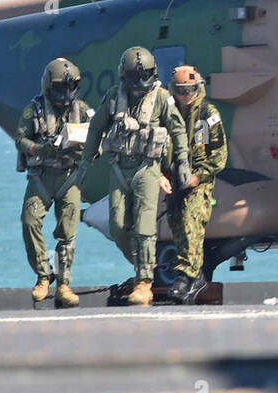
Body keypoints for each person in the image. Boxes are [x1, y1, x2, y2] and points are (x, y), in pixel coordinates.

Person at [78, 47, 190, 307]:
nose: (139, 87)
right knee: (117, 225)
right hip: (119, 167)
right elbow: (96, 128)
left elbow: (178, 129)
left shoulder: (162, 98)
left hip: (147, 168)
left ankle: (144, 282)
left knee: (144, 225)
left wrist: (182, 160)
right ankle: (144, 263)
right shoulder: (113, 98)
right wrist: (85, 163)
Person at [15, 57, 92, 307]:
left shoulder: (82, 110)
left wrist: (86, 147)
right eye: (60, 88)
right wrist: (38, 149)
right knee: (30, 221)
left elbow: (97, 136)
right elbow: (20, 139)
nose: (65, 95)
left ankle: (64, 284)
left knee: (67, 233)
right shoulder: (34, 109)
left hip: (70, 177)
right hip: (42, 178)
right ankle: (42, 275)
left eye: (70, 88)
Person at [159, 64, 228, 305]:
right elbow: (156, 148)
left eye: (190, 90)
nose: (186, 95)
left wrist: (198, 177)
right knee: (176, 223)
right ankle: (195, 276)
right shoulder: (166, 114)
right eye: (181, 90)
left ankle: (185, 276)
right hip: (175, 179)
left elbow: (219, 155)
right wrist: (160, 176)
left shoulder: (208, 114)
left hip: (199, 181)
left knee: (191, 220)